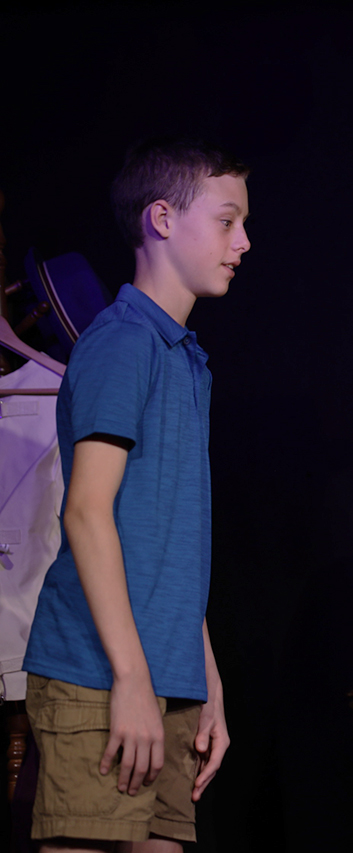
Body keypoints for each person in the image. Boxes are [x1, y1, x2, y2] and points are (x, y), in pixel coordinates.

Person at [21, 138, 249, 851]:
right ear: (162, 218)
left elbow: (170, 544)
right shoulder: (123, 342)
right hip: (100, 675)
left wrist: (205, 679)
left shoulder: (185, 360)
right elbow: (87, 511)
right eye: (227, 221)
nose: (243, 242)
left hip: (166, 678)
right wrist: (128, 677)